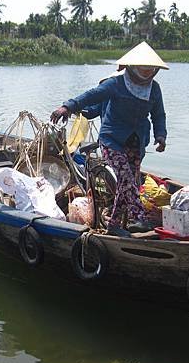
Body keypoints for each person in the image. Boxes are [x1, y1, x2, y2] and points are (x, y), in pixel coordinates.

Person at [51, 41, 169, 237]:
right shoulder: (116, 83)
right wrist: (68, 107)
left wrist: (161, 136)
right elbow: (91, 96)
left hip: (137, 142)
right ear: (133, 67)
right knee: (126, 179)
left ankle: (114, 224)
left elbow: (159, 115)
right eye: (143, 68)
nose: (147, 72)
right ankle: (140, 216)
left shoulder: (154, 89)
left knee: (124, 186)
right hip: (112, 140)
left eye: (150, 69)